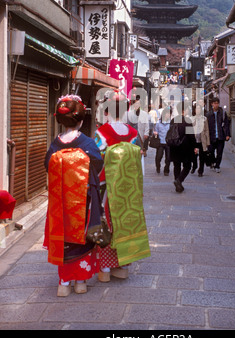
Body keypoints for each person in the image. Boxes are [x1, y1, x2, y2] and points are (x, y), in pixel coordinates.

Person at [43, 94, 104, 297]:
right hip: (83, 199)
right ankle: (81, 282)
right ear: (80, 121)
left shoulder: (55, 144)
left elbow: (47, 165)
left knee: (64, 236)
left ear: (61, 120)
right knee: (83, 234)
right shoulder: (86, 142)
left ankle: (63, 283)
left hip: (61, 199)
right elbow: (97, 162)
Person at [95, 92, 150, 282]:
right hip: (128, 186)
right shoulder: (133, 134)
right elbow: (138, 162)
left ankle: (104, 269)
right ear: (126, 110)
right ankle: (123, 266)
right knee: (125, 221)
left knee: (107, 221)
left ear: (107, 111)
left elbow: (96, 161)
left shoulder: (102, 133)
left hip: (107, 186)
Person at [168, 101, 197, 193]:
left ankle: (178, 185)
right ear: (184, 110)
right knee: (187, 166)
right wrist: (195, 147)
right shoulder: (187, 121)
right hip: (185, 147)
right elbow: (191, 136)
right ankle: (179, 180)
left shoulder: (173, 120)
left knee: (176, 165)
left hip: (174, 146)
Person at [206, 97, 230, 173]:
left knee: (220, 152)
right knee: (211, 151)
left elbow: (226, 124)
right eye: (214, 103)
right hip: (211, 136)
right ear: (212, 104)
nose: (216, 105)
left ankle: (217, 165)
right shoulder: (208, 114)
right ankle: (213, 161)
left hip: (220, 136)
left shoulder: (222, 113)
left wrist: (227, 134)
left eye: (217, 103)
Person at [191, 102, 210, 177]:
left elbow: (207, 130)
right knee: (193, 156)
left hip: (202, 140)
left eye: (199, 109)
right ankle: (194, 166)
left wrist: (208, 141)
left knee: (202, 156)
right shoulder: (191, 118)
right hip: (194, 140)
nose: (198, 110)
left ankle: (200, 171)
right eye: (196, 109)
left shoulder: (204, 119)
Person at [153, 106, 171, 176]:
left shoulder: (171, 123)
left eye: (169, 113)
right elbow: (155, 131)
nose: (168, 115)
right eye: (167, 113)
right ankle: (158, 166)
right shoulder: (158, 123)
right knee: (158, 157)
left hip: (168, 142)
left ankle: (166, 170)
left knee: (168, 158)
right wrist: (155, 133)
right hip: (160, 142)